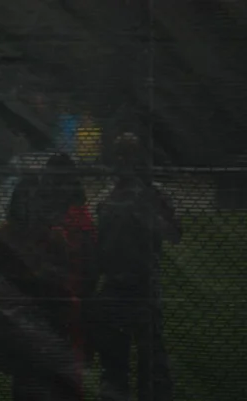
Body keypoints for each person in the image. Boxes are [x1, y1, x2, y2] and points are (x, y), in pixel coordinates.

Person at [0, 153, 99, 401]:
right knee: (38, 378)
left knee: (29, 379)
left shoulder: (17, 234)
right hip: (42, 318)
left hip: (28, 318)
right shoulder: (44, 235)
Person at [95, 132, 181, 401]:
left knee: (126, 361)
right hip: (136, 285)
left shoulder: (114, 198)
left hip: (128, 285)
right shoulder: (121, 197)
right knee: (142, 358)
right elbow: (174, 232)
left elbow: (173, 232)